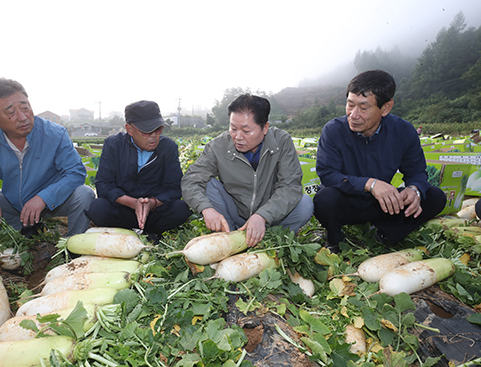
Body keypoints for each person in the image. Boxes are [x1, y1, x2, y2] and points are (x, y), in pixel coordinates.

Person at [314, 69, 446, 252]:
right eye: (350, 105)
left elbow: (416, 171)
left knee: (435, 196)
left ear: (385, 108)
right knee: (324, 198)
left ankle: (384, 234)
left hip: (383, 205)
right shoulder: (334, 130)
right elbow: (328, 174)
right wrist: (370, 184)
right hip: (346, 202)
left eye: (363, 107)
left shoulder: (403, 131)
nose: (354, 114)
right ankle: (336, 238)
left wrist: (414, 189)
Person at [0, 78, 95, 236]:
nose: (23, 117)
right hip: (13, 204)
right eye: (11, 112)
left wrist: (42, 198)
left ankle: (74, 245)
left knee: (84, 194)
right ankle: (24, 231)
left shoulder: (55, 134)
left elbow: (75, 173)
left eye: (25, 107)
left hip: (54, 203)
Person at [181, 94, 314, 247]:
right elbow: (190, 180)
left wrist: (263, 216)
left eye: (246, 131)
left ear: (265, 128)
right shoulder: (218, 146)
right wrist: (206, 208)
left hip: (272, 216)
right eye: (233, 128)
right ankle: (230, 238)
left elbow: (290, 186)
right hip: (235, 213)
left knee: (305, 204)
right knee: (207, 184)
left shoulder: (281, 142)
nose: (238, 137)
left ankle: (272, 239)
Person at [84, 100, 191, 241]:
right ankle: (126, 232)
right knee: (98, 208)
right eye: (147, 131)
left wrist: (152, 203)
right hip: (124, 209)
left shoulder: (168, 147)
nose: (154, 136)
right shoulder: (114, 145)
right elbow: (104, 184)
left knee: (182, 208)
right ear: (129, 129)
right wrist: (132, 203)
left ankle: (153, 232)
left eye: (158, 129)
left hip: (154, 212)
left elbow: (174, 188)